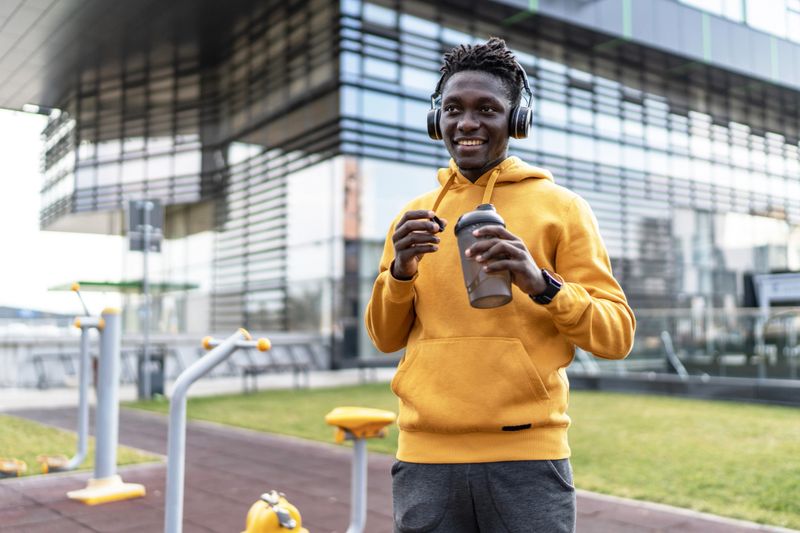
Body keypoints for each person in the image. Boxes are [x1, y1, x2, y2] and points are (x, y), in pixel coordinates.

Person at [365, 37, 635, 532]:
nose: (467, 122)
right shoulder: (414, 215)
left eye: (486, 109)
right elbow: (384, 337)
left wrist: (541, 284)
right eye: (453, 109)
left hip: (527, 460)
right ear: (437, 120)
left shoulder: (562, 207)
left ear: (516, 121)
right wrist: (399, 272)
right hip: (426, 459)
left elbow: (616, 335)